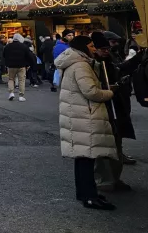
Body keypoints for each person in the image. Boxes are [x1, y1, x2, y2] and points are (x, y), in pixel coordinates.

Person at [56, 35, 118, 210]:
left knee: (83, 158)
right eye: (90, 45)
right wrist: (109, 93)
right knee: (87, 158)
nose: (93, 48)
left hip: (76, 113)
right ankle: (89, 196)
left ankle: (85, 193)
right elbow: (91, 91)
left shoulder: (73, 62)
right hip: (84, 115)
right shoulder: (81, 65)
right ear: (83, 48)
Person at [91, 32, 134, 192]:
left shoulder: (109, 60)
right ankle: (104, 180)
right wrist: (108, 90)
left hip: (115, 106)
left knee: (116, 144)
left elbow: (120, 69)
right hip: (102, 106)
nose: (106, 51)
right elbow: (91, 89)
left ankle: (114, 178)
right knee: (103, 146)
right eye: (103, 48)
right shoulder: (92, 63)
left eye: (107, 48)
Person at [3, 33, 36, 101]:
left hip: (11, 66)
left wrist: (7, 63)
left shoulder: (8, 46)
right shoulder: (24, 46)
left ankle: (11, 93)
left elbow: (4, 55)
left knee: (11, 79)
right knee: (21, 80)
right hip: (21, 66)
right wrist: (29, 64)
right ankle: (21, 96)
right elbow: (29, 56)